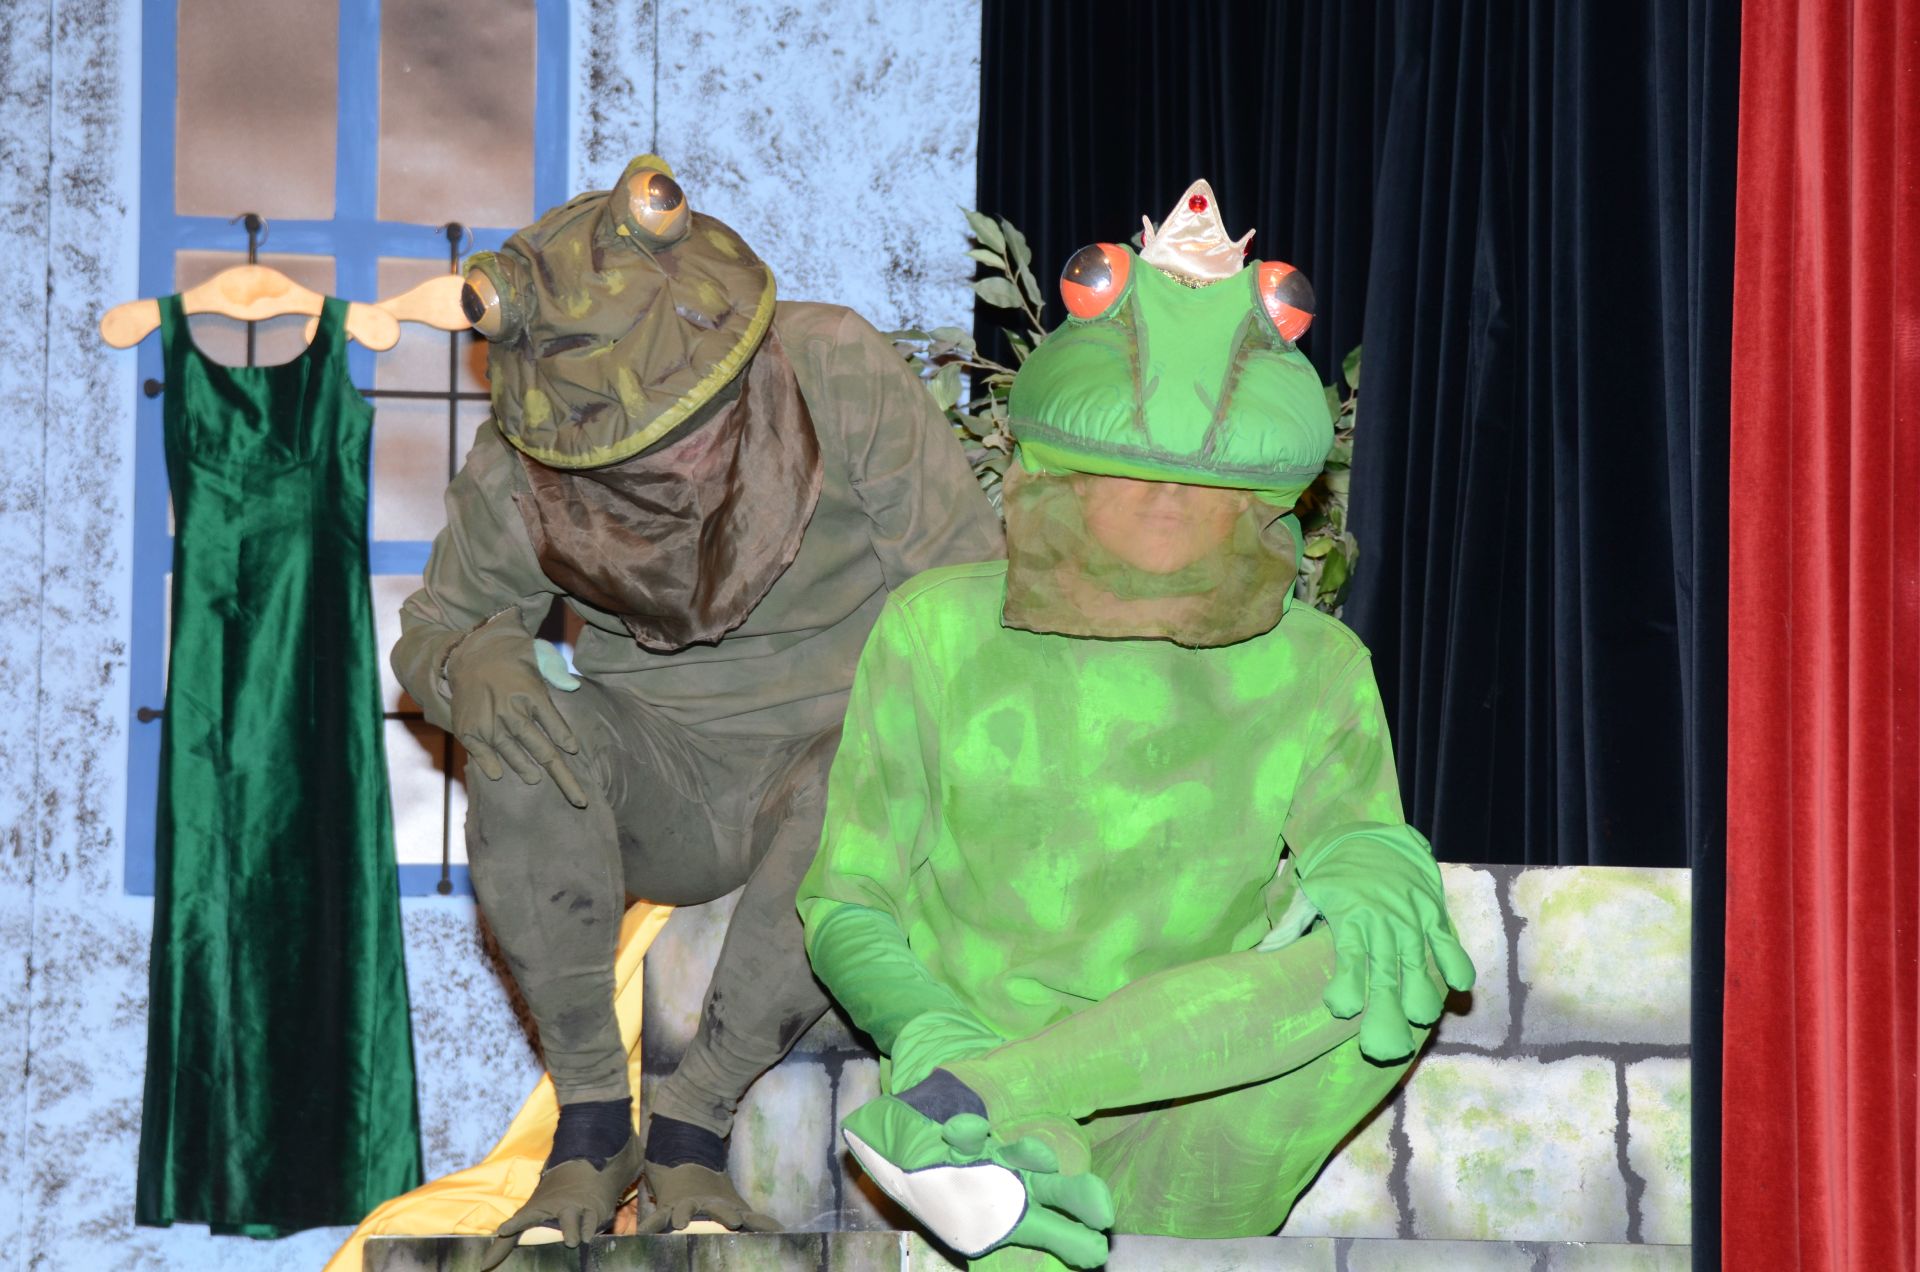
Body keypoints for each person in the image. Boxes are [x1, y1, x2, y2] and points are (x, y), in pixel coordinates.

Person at [797, 182, 1476, 1270]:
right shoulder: (937, 631)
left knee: (1386, 962)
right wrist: (928, 1023)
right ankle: (980, 1098)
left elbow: (1356, 837)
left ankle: (962, 1097)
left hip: (1205, 1083)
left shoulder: (1314, 662)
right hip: (1002, 1093)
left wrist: (1375, 862)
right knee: (1029, 1222)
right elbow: (847, 899)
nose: (1164, 499)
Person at [390, 155, 1002, 1263]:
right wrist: (473, 664)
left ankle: (694, 1121)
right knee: (519, 739)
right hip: (662, 780)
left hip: (840, 758)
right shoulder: (526, 460)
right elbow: (435, 630)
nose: (672, 462)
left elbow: (968, 600)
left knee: (864, 769)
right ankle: (591, 1121)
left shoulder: (832, 366)